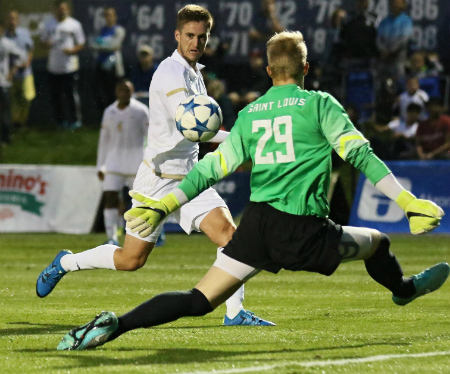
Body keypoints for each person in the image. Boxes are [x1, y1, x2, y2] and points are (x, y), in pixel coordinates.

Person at [57, 30, 449, 351]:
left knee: (198, 300)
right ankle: (403, 289)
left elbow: (210, 168)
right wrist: (407, 202)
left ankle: (115, 325)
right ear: (306, 68)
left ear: (267, 70)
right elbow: (361, 156)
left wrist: (163, 206)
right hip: (304, 231)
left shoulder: (250, 114)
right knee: (378, 242)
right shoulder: (319, 105)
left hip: (257, 227)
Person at [36, 5, 273, 327]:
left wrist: (239, 140)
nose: (195, 42)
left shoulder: (194, 73)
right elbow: (192, 125)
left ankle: (234, 313)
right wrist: (242, 140)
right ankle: (67, 262)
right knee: (130, 259)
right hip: (158, 180)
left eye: (202, 37)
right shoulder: (169, 73)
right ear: (177, 35)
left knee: (232, 239)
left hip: (190, 178)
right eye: (189, 35)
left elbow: (198, 129)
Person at [96, 79, 148, 246]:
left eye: (127, 90)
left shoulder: (141, 111)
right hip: (113, 163)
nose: (124, 93)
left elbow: (151, 138)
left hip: (136, 163)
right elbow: (104, 140)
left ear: (132, 92)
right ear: (116, 92)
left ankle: (142, 235)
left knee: (139, 201)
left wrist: (150, 162)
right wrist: (100, 165)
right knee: (110, 198)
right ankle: (112, 237)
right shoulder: (109, 111)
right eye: (121, 90)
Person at [40, 0, 85, 129]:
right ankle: (60, 122)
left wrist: (72, 51)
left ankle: (75, 121)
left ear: (68, 10)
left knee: (71, 95)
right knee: (56, 97)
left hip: (70, 67)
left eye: (64, 8)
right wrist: (46, 44)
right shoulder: (48, 24)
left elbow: (81, 44)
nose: (62, 11)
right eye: (60, 8)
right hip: (53, 67)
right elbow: (42, 42)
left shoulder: (74, 25)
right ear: (55, 10)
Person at [89, 7, 126, 111]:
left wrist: (100, 44)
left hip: (113, 66)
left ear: (115, 16)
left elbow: (115, 45)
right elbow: (92, 44)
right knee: (101, 91)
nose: (108, 18)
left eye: (110, 15)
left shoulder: (119, 30)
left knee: (113, 91)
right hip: (100, 65)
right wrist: (106, 45)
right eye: (106, 15)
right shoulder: (100, 30)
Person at [5, 10, 36, 129]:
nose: (12, 21)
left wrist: (28, 61)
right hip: (10, 75)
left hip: (25, 73)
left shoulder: (24, 34)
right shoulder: (3, 37)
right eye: (9, 19)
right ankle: (16, 124)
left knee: (27, 98)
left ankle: (22, 122)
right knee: (12, 101)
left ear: (17, 21)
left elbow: (30, 50)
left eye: (14, 19)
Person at [0, 20, 24, 146]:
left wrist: (12, 71)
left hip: (3, 83)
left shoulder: (6, 43)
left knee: (4, 113)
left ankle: (5, 138)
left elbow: (21, 56)